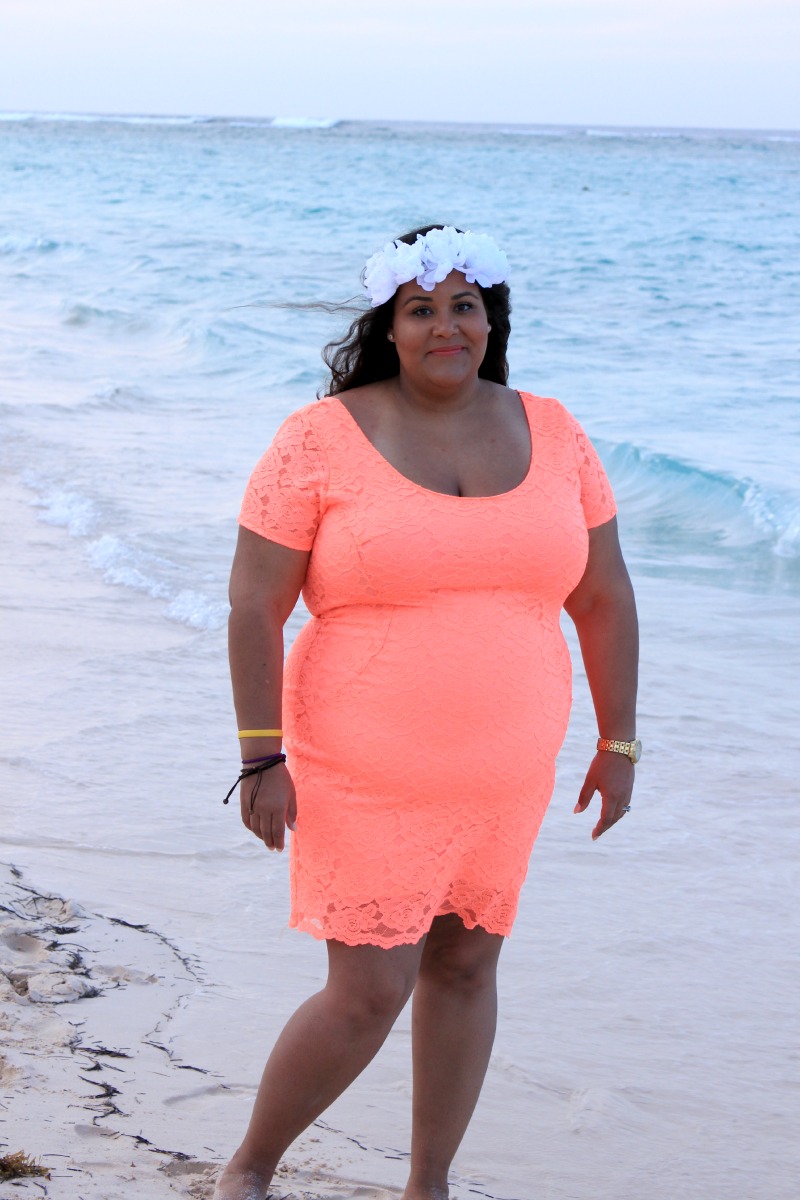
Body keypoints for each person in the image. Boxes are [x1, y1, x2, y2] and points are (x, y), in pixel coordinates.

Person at [215, 224, 639, 1200]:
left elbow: (605, 595)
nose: (446, 326)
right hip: (360, 763)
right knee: (368, 990)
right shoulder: (318, 437)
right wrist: (259, 757)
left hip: (506, 766)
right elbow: (252, 604)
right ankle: (248, 1172)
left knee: (465, 969)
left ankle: (428, 1186)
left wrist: (618, 741)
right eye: (421, 310)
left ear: (491, 319)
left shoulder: (554, 430)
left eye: (464, 306)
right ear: (389, 327)